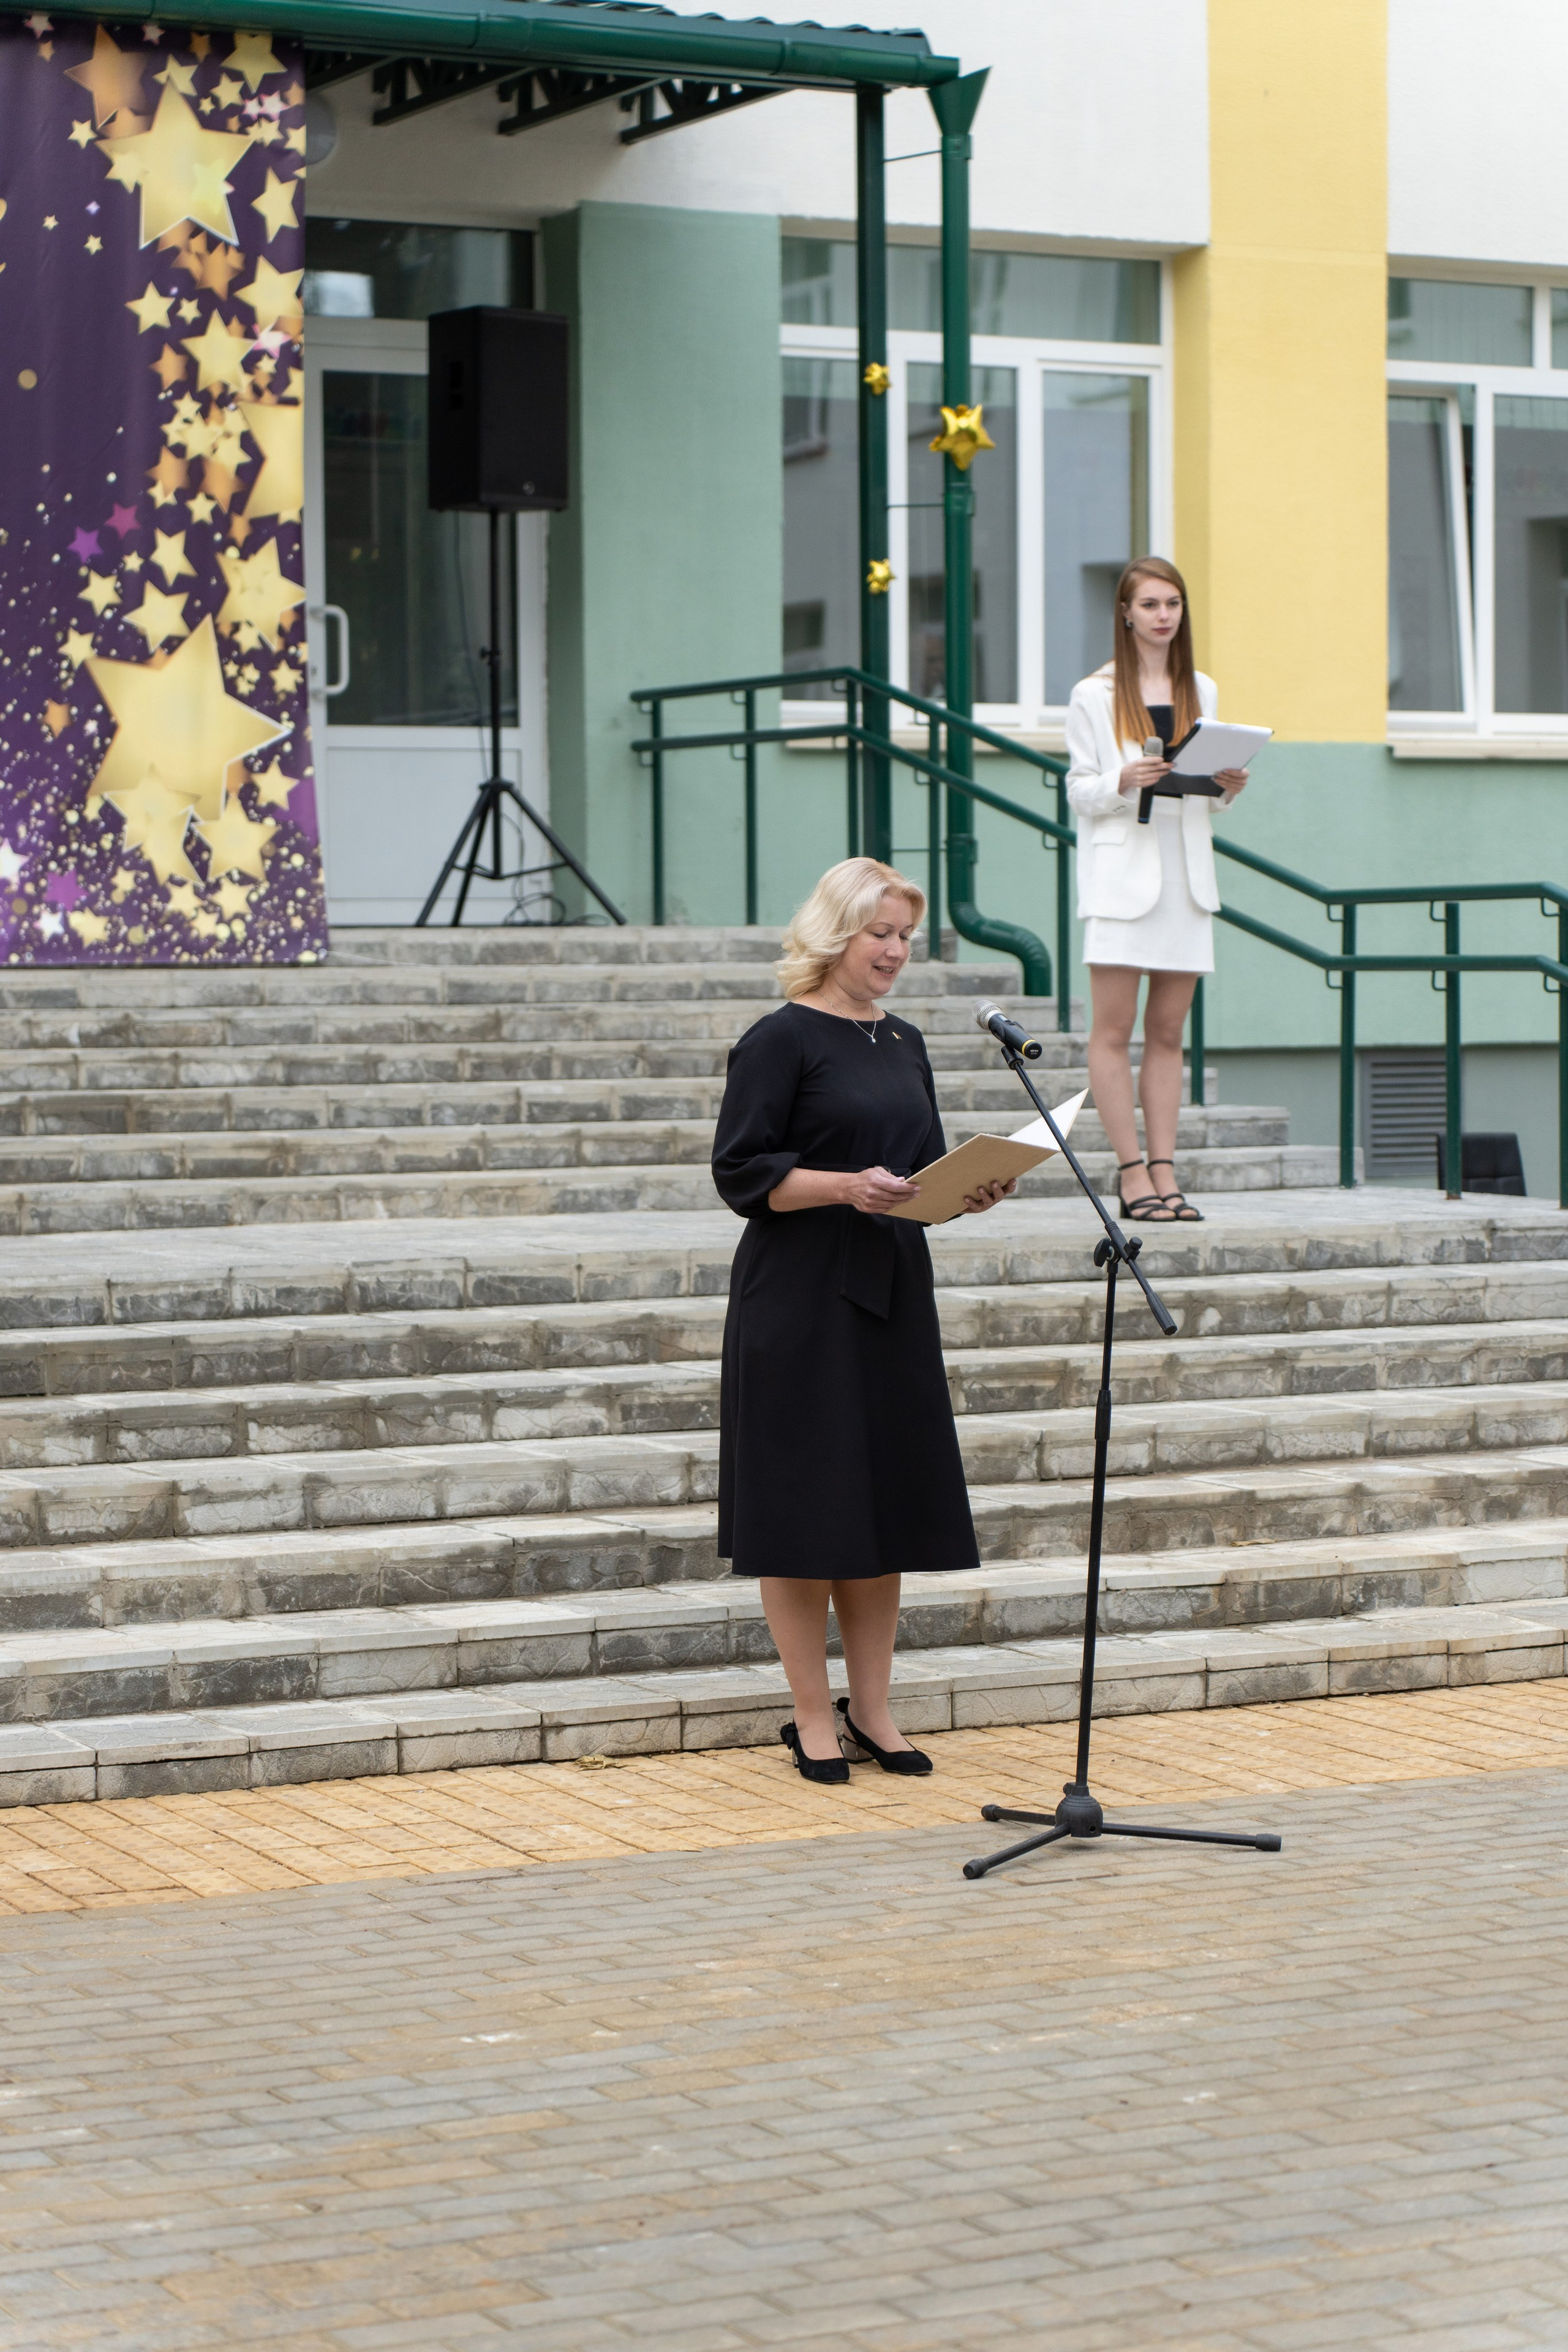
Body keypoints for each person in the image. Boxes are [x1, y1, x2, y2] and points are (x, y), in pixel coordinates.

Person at [710, 858, 1017, 1786]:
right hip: (799, 1297)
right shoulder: (780, 1039)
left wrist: (971, 1190)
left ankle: (874, 1710)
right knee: (806, 1509)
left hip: (890, 1289)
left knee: (881, 1505)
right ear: (836, 933)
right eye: (879, 933)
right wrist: (846, 1186)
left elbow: (918, 1169)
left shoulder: (906, 1040)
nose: (894, 951)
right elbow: (741, 1173)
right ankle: (811, 1716)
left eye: (905, 938)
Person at [1065, 556, 1250, 1223]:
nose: (1163, 616)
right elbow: (1079, 789)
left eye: (1172, 604)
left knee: (1168, 1032)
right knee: (1112, 1031)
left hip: (1185, 873)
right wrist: (1123, 779)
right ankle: (1131, 1173)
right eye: (1149, 605)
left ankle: (1167, 1172)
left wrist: (1227, 789)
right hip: (1121, 875)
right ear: (1125, 612)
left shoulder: (1201, 687)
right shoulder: (1095, 693)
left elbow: (1202, 792)